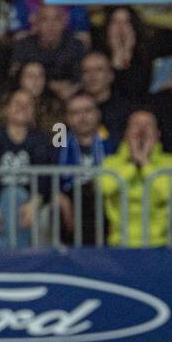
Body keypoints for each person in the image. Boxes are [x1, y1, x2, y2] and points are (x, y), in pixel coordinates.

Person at [0, 89, 56, 247]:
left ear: (34, 112)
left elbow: (45, 176)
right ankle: (18, 258)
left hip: (32, 203)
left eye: (28, 105)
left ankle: (3, 259)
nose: (22, 107)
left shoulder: (41, 139)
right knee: (12, 195)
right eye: (17, 103)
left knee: (15, 195)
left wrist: (34, 202)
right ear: (7, 109)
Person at [98, 109, 172, 247]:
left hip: (158, 242)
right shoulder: (110, 162)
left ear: (158, 134)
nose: (141, 130)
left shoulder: (170, 162)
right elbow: (106, 188)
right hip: (119, 241)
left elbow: (167, 192)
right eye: (136, 124)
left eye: (148, 125)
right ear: (125, 134)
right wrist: (132, 164)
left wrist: (144, 163)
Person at [56, 91, 112, 245]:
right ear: (67, 118)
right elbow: (49, 177)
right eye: (75, 113)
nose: (82, 117)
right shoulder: (58, 142)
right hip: (71, 196)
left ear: (97, 114)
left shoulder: (112, 141)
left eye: (87, 111)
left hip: (104, 196)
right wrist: (58, 195)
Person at [11, 5, 86, 102]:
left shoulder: (76, 46)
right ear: (37, 23)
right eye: (45, 19)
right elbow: (15, 78)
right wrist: (51, 86)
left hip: (69, 98)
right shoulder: (24, 46)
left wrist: (72, 88)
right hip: (31, 98)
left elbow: (82, 78)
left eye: (56, 19)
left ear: (64, 22)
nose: (51, 25)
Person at [79, 50, 134, 145]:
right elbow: (59, 144)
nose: (92, 76)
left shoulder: (126, 109)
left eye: (99, 70)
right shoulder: (71, 107)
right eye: (86, 71)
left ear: (110, 76)